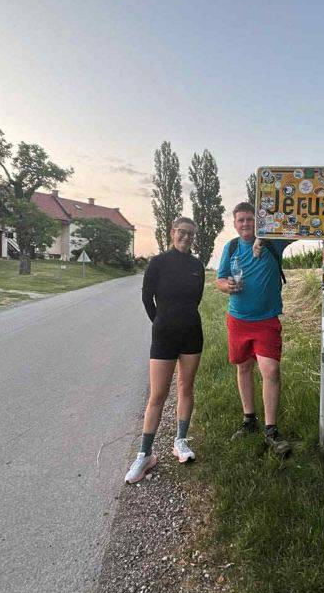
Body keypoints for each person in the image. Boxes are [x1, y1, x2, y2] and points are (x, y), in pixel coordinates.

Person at [125, 216, 205, 483]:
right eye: (182, 232)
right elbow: (147, 297)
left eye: (191, 234)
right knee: (157, 395)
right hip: (164, 336)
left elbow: (196, 299)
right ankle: (144, 455)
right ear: (172, 233)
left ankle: (180, 441)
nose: (186, 237)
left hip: (192, 334)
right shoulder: (158, 262)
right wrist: (160, 322)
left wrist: (180, 320)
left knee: (186, 387)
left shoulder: (197, 266)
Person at [216, 201, 293, 458]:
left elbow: (294, 223)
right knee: (244, 368)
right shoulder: (231, 247)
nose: (246, 224)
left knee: (270, 370)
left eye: (250, 219)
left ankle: (271, 430)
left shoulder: (273, 243)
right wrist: (227, 286)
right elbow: (220, 279)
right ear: (235, 223)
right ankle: (249, 420)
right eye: (241, 220)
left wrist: (263, 236)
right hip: (238, 320)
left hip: (266, 320)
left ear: (257, 222)